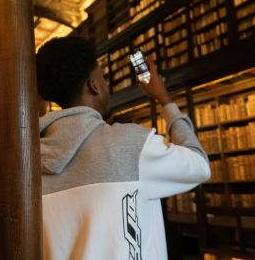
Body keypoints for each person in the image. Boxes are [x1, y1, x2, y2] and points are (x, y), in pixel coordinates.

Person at [36, 37, 211, 260]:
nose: (106, 84)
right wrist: (164, 98)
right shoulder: (129, 145)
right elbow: (199, 165)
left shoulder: (31, 165)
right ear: (93, 85)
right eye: (104, 78)